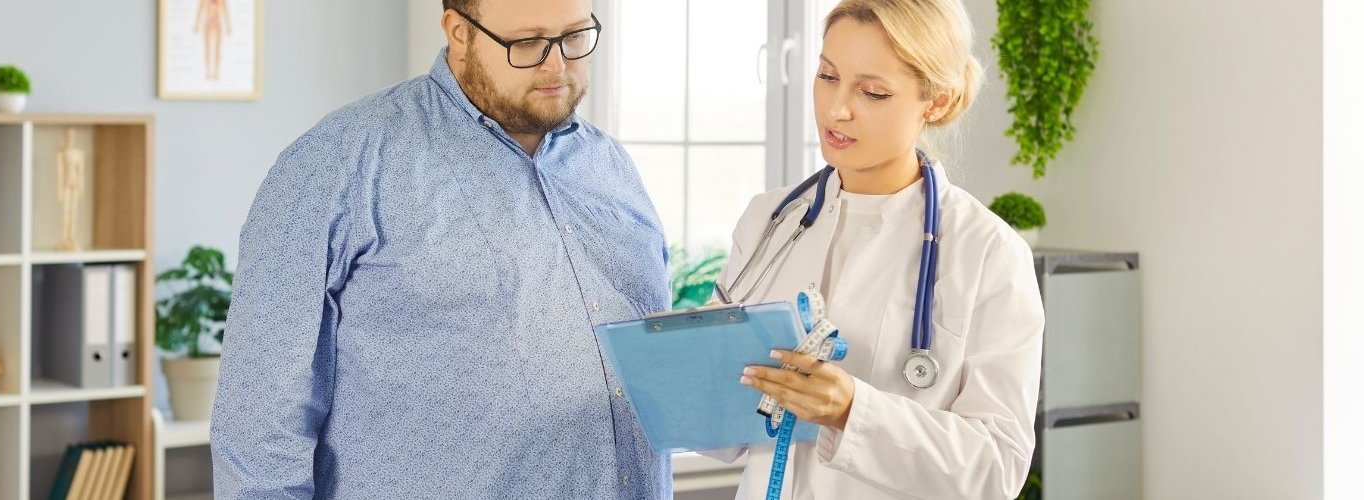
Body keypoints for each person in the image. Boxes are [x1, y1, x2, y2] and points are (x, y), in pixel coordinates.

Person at [210, 0, 672, 498]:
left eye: (576, 37)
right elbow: (256, 426)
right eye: (528, 43)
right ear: (459, 32)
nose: (556, 64)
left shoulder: (612, 166)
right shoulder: (339, 162)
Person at [716, 0, 1045, 498]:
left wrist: (852, 410)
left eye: (872, 92)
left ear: (934, 102)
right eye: (827, 76)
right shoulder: (769, 221)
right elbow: (721, 423)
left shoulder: (988, 251)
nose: (836, 109)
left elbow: (998, 467)